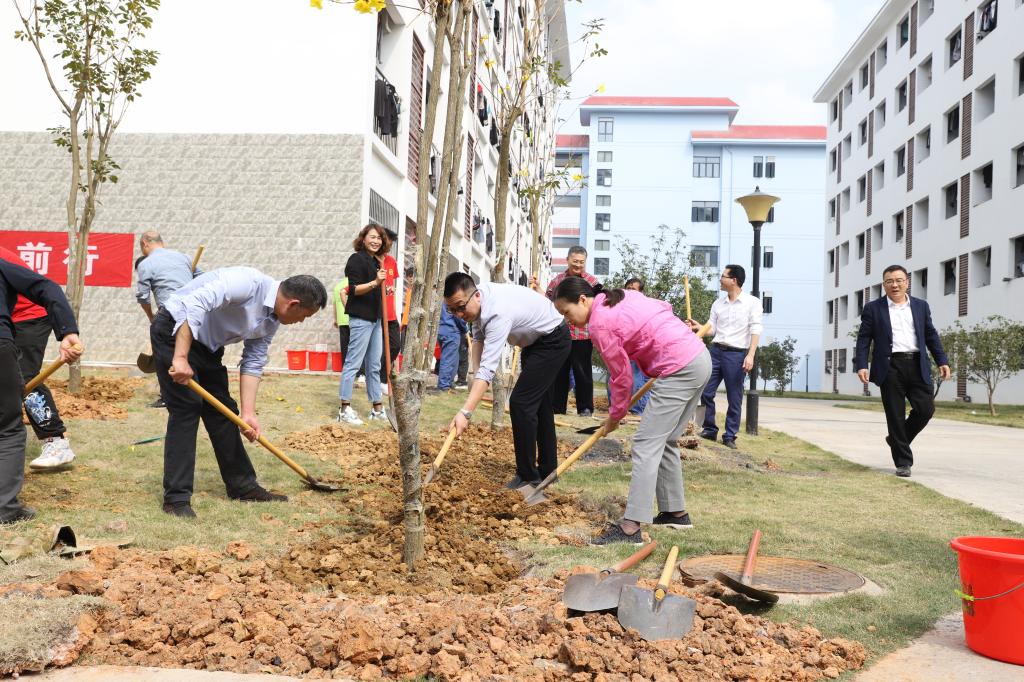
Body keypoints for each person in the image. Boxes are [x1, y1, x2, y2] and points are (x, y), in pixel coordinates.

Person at [152, 267, 327, 518]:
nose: (302, 322)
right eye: (305, 316)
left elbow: (254, 360)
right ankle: (176, 499)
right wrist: (180, 357)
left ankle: (242, 487)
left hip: (207, 346)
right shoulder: (246, 283)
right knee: (187, 407)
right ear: (294, 304)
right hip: (174, 330)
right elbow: (194, 304)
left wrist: (248, 413)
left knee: (226, 413)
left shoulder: (272, 320)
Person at [554, 278, 711, 545]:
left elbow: (621, 377)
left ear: (582, 300)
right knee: (666, 439)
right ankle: (675, 512)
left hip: (679, 368)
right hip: (698, 358)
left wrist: (615, 417)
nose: (568, 320)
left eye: (567, 312)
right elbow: (664, 307)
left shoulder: (600, 324)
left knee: (645, 444)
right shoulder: (619, 296)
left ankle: (630, 527)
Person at [443, 272, 570, 488]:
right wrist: (474, 374)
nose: (458, 314)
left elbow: (488, 369)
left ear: (476, 296)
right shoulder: (478, 302)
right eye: (452, 310)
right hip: (534, 343)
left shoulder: (497, 314)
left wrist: (466, 412)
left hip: (553, 340)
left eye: (461, 307)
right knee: (539, 405)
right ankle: (548, 471)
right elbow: (478, 338)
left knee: (521, 403)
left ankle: (528, 476)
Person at [1, 257, 83, 524]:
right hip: (8, 319)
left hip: (29, 315)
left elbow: (43, 287)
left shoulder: (3, 255)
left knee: (23, 380)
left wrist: (67, 330)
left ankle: (55, 440)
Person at [855, 264, 951, 477]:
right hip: (890, 367)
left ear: (907, 282)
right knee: (895, 416)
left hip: (917, 364)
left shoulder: (921, 306)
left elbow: (931, 334)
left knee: (926, 410)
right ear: (884, 285)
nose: (895, 285)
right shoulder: (873, 308)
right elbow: (863, 339)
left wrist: (942, 360)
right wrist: (861, 364)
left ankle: (897, 440)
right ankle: (903, 462)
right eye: (889, 281)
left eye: (899, 280)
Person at [688, 264, 762, 450]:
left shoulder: (752, 303)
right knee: (706, 391)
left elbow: (755, 329)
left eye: (723, 276)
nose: (720, 279)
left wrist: (750, 355)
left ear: (733, 280)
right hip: (715, 352)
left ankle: (730, 435)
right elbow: (712, 329)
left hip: (737, 354)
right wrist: (700, 328)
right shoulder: (718, 303)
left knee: (734, 397)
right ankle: (710, 429)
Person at [135, 231, 200, 408]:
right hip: (194, 312)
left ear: (145, 243)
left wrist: (152, 317)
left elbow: (143, 297)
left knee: (165, 358)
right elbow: (202, 278)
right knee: (190, 354)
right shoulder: (184, 258)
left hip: (169, 315)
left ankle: (168, 398)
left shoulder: (146, 263)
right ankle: (192, 394)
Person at [337, 224, 390, 426]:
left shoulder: (377, 262)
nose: (376, 241)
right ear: (364, 238)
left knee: (374, 365)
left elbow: (375, 286)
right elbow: (353, 289)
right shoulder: (356, 259)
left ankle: (377, 408)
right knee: (353, 362)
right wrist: (376, 282)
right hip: (361, 317)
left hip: (376, 318)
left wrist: (384, 288)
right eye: (372, 237)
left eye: (379, 238)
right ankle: (344, 408)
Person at [545, 246, 597, 416]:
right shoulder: (557, 281)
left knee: (583, 371)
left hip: (583, 334)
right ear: (567, 260)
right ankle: (557, 407)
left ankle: (585, 407)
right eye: (575, 261)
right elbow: (547, 302)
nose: (578, 265)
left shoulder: (592, 282)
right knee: (559, 371)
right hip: (561, 332)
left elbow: (599, 304)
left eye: (582, 262)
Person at [376, 231, 401, 395]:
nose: (389, 248)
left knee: (395, 345)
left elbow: (392, 285)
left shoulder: (391, 261)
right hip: (377, 314)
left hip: (391, 314)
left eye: (391, 245)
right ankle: (380, 380)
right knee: (378, 349)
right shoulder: (372, 261)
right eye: (387, 244)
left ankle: (381, 378)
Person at [430, 303, 467, 394]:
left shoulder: (442, 300)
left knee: (454, 359)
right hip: (451, 330)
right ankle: (443, 386)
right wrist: (465, 329)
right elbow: (458, 316)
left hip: (442, 329)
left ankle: (449, 383)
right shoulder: (453, 300)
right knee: (448, 360)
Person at [333, 277, 350, 370]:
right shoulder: (355, 283)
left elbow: (335, 305)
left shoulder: (337, 287)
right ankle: (359, 371)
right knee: (356, 346)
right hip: (353, 319)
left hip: (342, 321)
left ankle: (345, 368)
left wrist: (335, 319)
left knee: (344, 346)